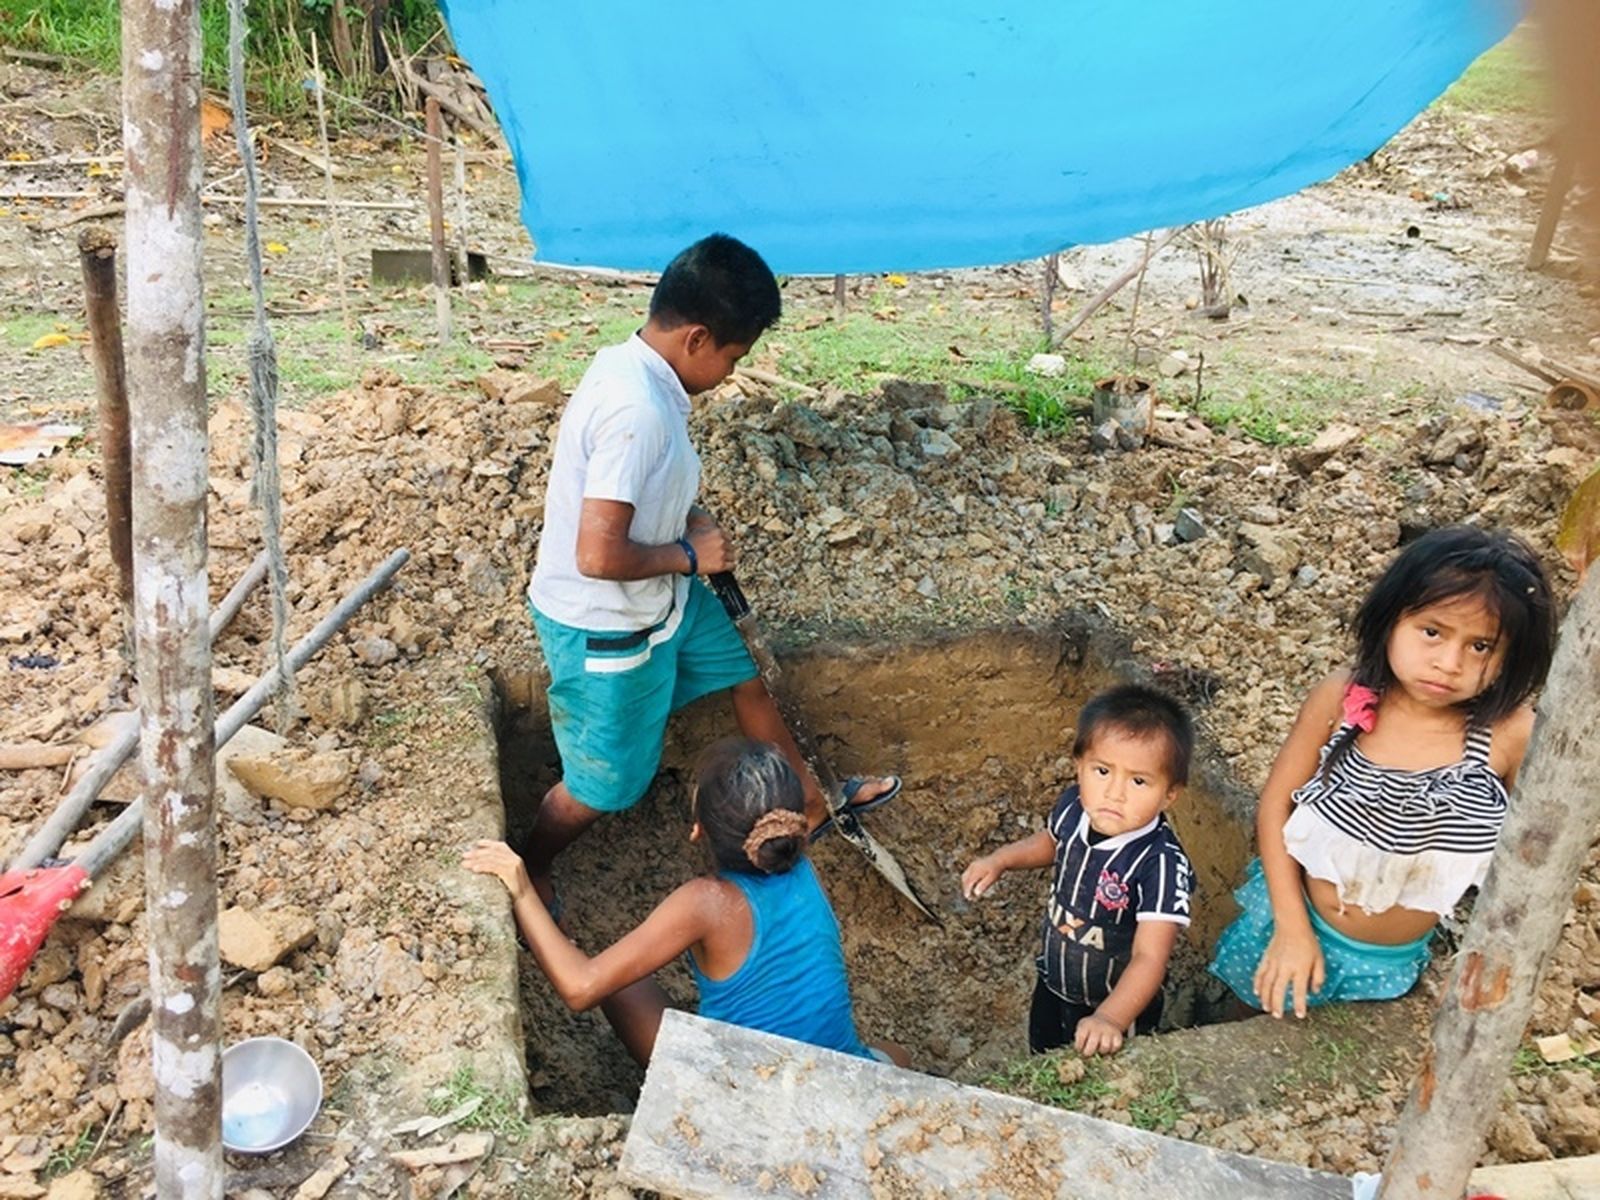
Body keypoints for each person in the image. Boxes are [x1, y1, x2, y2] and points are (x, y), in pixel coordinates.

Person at [522, 233, 897, 912]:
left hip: (662, 599)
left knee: (748, 673)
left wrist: (686, 518)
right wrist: (692, 556)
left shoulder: (644, 376)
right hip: (608, 626)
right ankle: (531, 863)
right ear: (697, 338)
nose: (731, 370)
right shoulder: (635, 409)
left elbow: (641, 495)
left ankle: (812, 802)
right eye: (733, 356)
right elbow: (597, 556)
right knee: (604, 785)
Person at [1210, 525, 1557, 1019]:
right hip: (1292, 920)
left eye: (1479, 646)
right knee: (1250, 1026)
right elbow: (1275, 806)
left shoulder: (1510, 735)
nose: (1448, 662)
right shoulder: (1341, 699)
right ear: (1391, 620)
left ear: (1510, 659)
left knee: (1333, 1064)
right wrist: (1291, 928)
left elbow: (1531, 855)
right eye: (1432, 632)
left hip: (1387, 962)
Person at [465, 737, 907, 1066]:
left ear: (698, 829)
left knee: (623, 984)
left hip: (745, 1096)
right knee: (898, 1057)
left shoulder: (706, 903)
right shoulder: (804, 870)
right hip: (841, 1076)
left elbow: (581, 987)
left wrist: (522, 888)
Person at [961, 684, 1196, 1057]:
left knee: (1100, 1077)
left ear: (1170, 794)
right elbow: (1053, 842)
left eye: (1138, 781)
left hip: (1115, 1004)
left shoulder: (1161, 865)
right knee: (1042, 1055)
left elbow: (1150, 957)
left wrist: (1111, 1018)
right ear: (1079, 767)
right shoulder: (1074, 808)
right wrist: (1000, 860)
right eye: (1102, 771)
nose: (1114, 793)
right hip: (1054, 979)